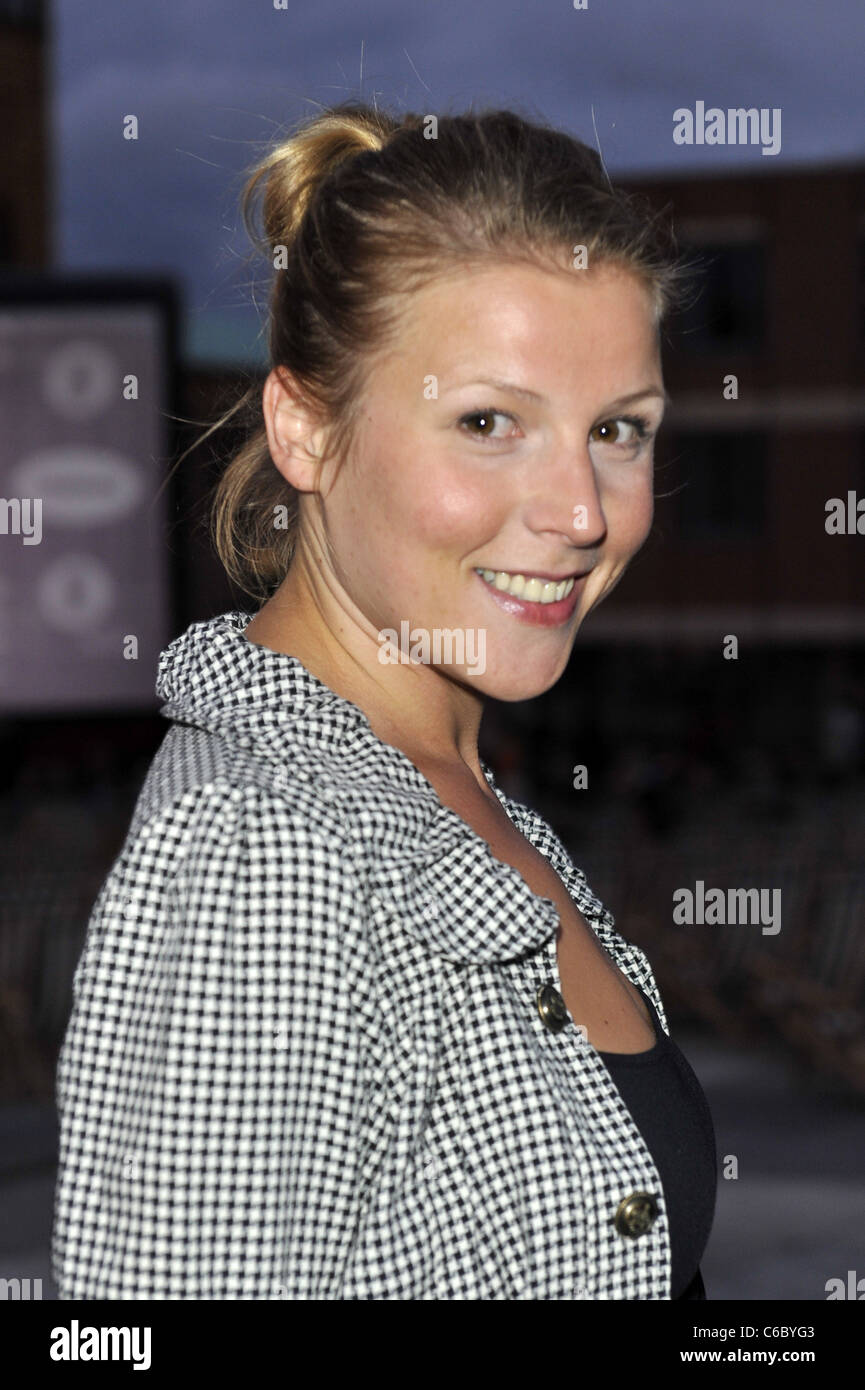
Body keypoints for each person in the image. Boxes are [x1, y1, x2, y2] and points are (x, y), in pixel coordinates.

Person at [51, 101, 715, 1299]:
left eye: (617, 428)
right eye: (487, 422)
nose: (581, 510)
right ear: (304, 426)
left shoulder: (453, 794)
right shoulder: (265, 848)